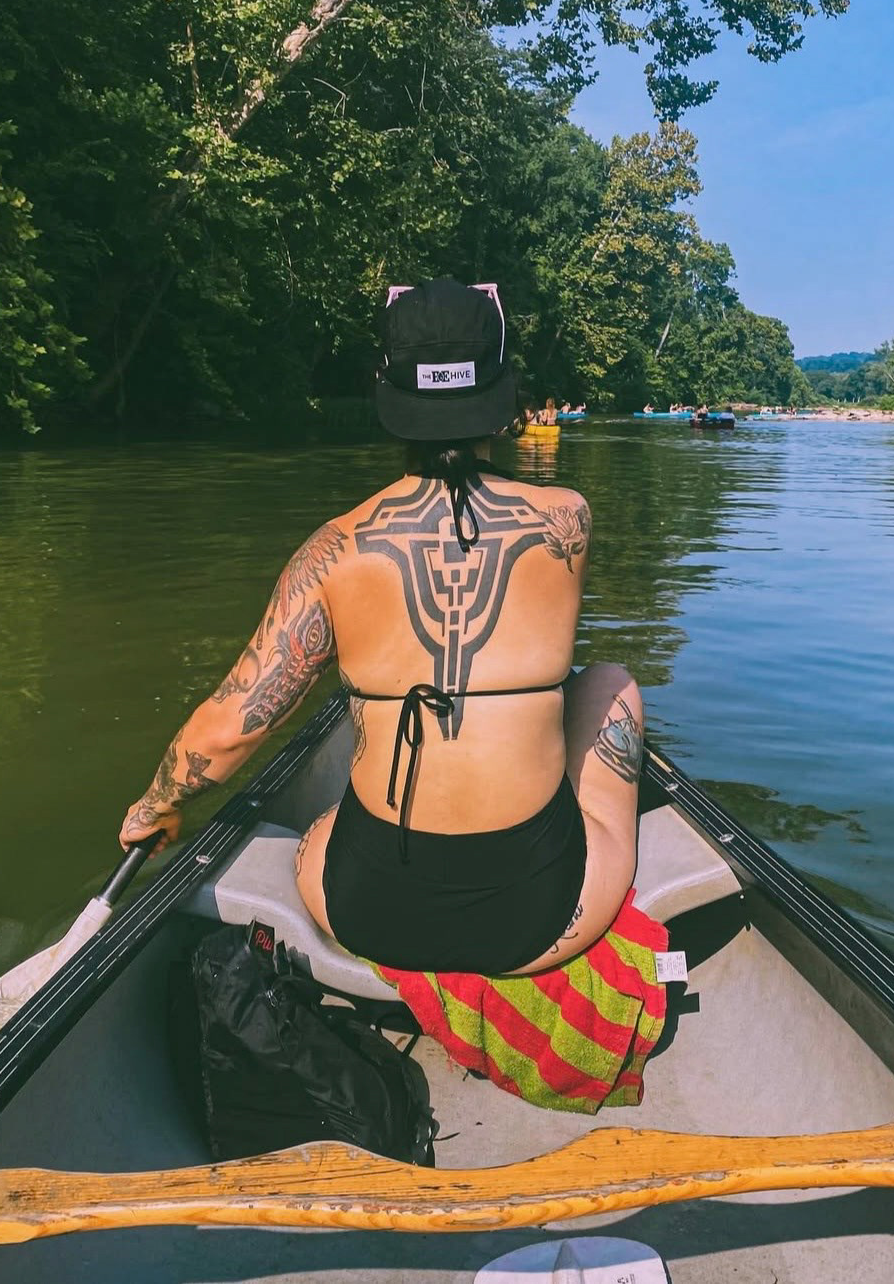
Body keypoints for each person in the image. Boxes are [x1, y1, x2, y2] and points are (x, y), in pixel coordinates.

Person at [119, 279, 642, 977]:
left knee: (327, 822)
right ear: (502, 397)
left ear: (386, 394)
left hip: (368, 913)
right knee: (609, 683)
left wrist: (153, 807)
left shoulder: (332, 550)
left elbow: (229, 730)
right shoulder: (565, 519)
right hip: (538, 920)